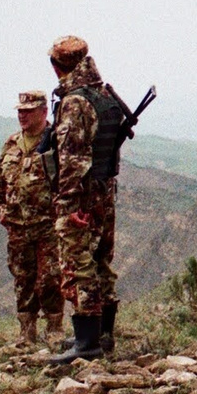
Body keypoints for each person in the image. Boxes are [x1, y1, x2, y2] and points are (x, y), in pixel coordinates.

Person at [45, 36, 127, 363]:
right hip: (104, 191)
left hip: (83, 196)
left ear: (56, 66)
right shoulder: (103, 95)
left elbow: (72, 158)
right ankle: (103, 336)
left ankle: (87, 344)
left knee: (79, 266)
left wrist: (70, 205)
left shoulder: (76, 101)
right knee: (100, 262)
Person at [0, 89, 63, 349]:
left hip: (48, 223)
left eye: (28, 111)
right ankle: (26, 332)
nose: (22, 116)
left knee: (50, 278)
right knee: (23, 278)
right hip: (17, 226)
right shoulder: (12, 143)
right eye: (20, 111)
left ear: (44, 112)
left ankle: (54, 328)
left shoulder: (55, 141)